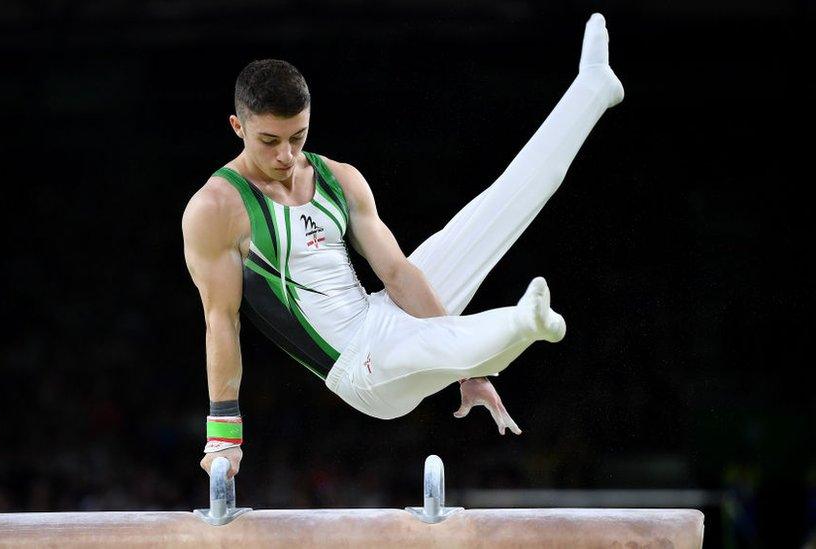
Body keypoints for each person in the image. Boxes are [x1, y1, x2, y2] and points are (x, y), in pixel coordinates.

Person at [182, 13, 624, 479]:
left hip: (382, 316)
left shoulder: (338, 177)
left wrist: (469, 375)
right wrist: (223, 436)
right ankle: (523, 322)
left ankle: (592, 89)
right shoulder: (217, 207)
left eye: (298, 136)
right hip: (362, 371)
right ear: (237, 126)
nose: (286, 155)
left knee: (495, 208)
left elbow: (395, 272)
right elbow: (221, 320)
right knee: (425, 343)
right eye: (269, 141)